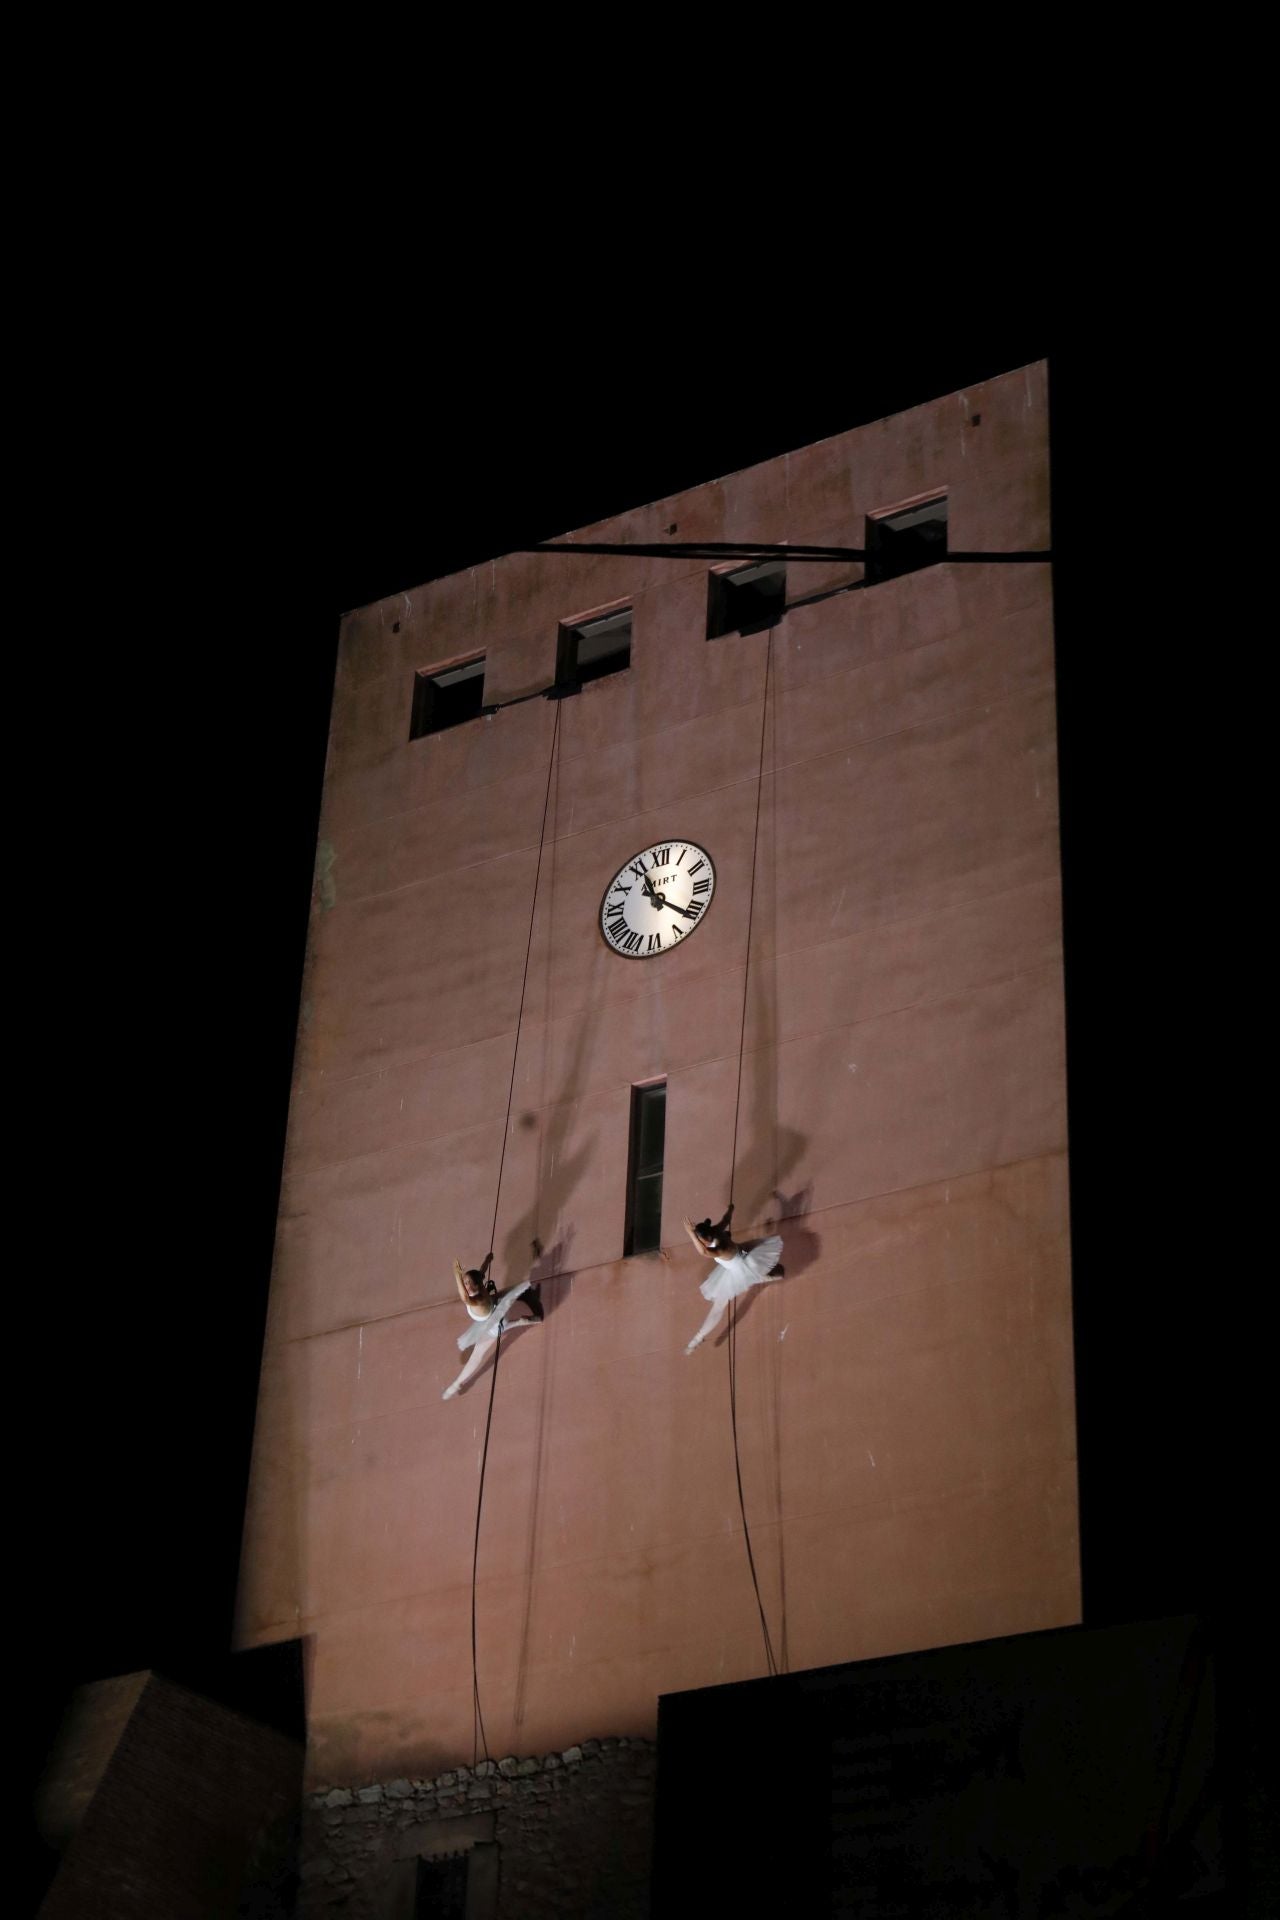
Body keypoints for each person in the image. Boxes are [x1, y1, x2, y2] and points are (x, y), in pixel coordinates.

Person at [442, 1255, 543, 1400]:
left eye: (468, 1283)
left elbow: (464, 1297)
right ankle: (520, 1318)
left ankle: (456, 1384)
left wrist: (456, 1273)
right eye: (465, 1282)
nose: (466, 1286)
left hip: (494, 1322)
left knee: (476, 1356)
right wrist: (487, 1261)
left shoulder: (476, 1300)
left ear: (477, 1285)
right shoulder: (479, 1286)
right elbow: (481, 1272)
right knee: (506, 1293)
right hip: (494, 1306)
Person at [681, 1211, 783, 1353]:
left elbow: (703, 1252)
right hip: (744, 1253)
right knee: (763, 1270)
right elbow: (726, 1219)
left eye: (700, 1241)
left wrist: (691, 1234)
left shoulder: (719, 1249)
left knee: (718, 1307)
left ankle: (698, 1337)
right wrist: (731, 1209)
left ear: (705, 1240)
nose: (700, 1243)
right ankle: (770, 1274)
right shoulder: (716, 1230)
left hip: (742, 1268)